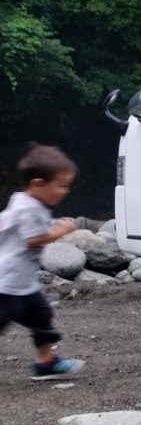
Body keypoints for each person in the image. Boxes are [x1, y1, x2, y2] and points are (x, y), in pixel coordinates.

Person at [0, 144, 84, 379]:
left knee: (42, 316)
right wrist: (61, 230)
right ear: (37, 183)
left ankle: (45, 362)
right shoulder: (29, 208)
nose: (65, 191)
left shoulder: (21, 201)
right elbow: (32, 240)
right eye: (60, 185)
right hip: (8, 284)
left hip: (22, 283)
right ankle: (45, 361)